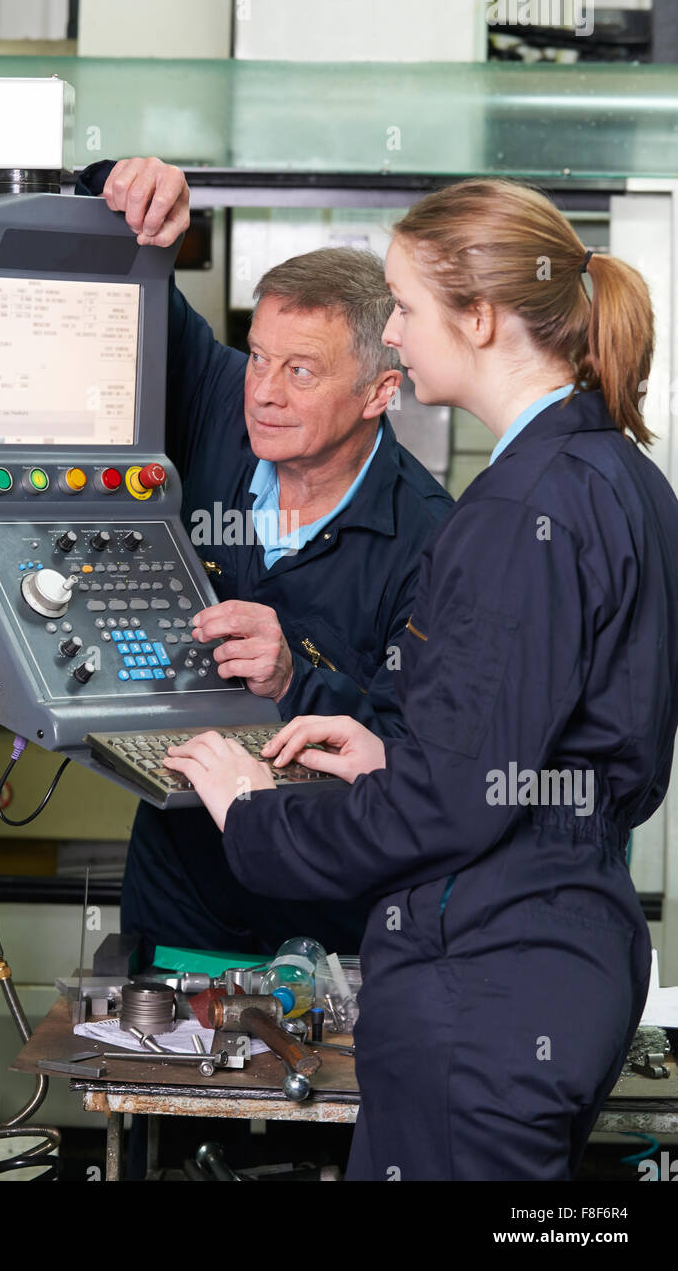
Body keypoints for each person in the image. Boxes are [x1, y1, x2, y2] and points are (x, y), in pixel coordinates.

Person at [165, 177, 678, 1181]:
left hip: (484, 979)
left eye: (402, 307)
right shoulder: (622, 478)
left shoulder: (508, 513)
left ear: (478, 318)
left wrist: (251, 810)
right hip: (572, 952)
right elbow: (523, 749)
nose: (392, 337)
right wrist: (396, 749)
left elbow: (444, 810)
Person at [76, 157, 453, 961]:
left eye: (302, 370)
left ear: (382, 392)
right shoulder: (218, 402)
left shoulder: (432, 544)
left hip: (326, 931)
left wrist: (294, 679)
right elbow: (119, 266)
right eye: (259, 356)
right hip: (178, 900)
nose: (265, 392)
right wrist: (128, 181)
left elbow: (417, 764)